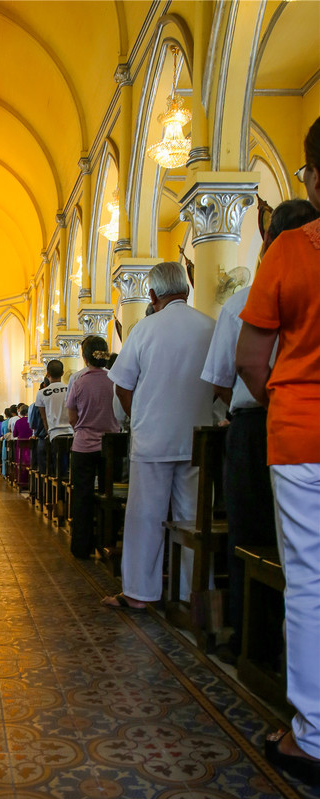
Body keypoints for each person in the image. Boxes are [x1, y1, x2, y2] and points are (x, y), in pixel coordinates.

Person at [236, 117, 320, 786]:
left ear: (314, 175)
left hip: (301, 432)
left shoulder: (290, 248)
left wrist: (283, 402)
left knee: (311, 578)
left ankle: (313, 735)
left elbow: (249, 356)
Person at [201, 198, 318, 664]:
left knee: (249, 532)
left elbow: (226, 376)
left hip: (264, 425)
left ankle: (253, 644)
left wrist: (270, 403)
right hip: (280, 422)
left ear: (270, 239)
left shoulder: (240, 302)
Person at [103, 261, 214, 611]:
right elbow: (222, 381)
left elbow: (122, 384)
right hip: (199, 437)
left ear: (151, 294)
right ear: (187, 288)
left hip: (153, 438)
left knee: (145, 516)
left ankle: (139, 593)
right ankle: (191, 594)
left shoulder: (145, 329)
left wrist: (140, 416)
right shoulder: (209, 327)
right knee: (192, 519)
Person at [66, 335, 120, 560]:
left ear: (85, 357)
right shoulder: (115, 381)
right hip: (111, 446)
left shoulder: (79, 383)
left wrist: (84, 426)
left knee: (82, 496)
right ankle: (109, 542)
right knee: (111, 494)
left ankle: (82, 547)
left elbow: (71, 417)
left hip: (84, 447)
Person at [35, 362, 73, 441]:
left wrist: (47, 432)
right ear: (62, 373)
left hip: (54, 432)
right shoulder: (71, 389)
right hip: (71, 430)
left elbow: (43, 417)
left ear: (47, 374)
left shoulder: (41, 393)